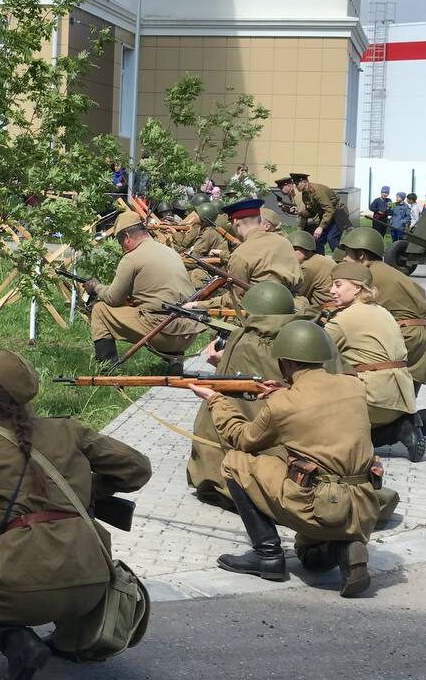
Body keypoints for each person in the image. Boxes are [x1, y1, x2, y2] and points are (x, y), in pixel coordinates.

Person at [0, 349, 151, 680]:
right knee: (61, 582)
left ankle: (18, 642)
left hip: (24, 589)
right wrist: (86, 492)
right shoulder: (69, 430)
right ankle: (67, 639)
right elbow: (138, 468)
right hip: (93, 583)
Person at [189, 320, 380, 598]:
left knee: (235, 462)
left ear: (285, 362)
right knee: (310, 559)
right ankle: (345, 547)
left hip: (321, 506)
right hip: (362, 507)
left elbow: (242, 437)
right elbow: (316, 411)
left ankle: (266, 554)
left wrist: (214, 400)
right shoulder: (354, 387)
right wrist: (284, 391)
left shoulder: (283, 404)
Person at [339, 227, 426, 450]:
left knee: (384, 416)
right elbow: (420, 293)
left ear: (362, 255)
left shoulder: (367, 276)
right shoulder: (389, 270)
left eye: (348, 254)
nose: (345, 259)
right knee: (402, 408)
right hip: (422, 333)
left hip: (405, 335)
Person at [187, 280, 299, 510]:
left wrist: (222, 366)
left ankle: (214, 476)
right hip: (314, 446)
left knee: (213, 417)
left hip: (270, 448)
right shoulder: (310, 337)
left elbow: (230, 397)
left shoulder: (246, 342)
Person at [323, 261, 424, 461]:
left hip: (374, 400)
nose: (331, 290)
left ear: (358, 287)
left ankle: (395, 432)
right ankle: (401, 427)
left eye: (338, 284)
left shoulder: (344, 319)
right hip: (401, 398)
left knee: (316, 422)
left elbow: (309, 350)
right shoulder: (382, 311)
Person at [84, 211, 200, 374]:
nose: (121, 246)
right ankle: (174, 360)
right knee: (161, 312)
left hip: (164, 331)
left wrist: (96, 287)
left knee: (100, 310)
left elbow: (113, 298)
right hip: (189, 331)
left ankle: (107, 369)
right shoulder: (170, 252)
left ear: (126, 236)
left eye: (120, 241)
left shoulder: (132, 258)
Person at [187, 198, 303, 309]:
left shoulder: (240, 254)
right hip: (290, 305)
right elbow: (299, 280)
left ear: (236, 222)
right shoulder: (283, 242)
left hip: (258, 312)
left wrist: (198, 305)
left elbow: (236, 299)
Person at [287, 172, 349, 253]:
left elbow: (329, 209)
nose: (295, 186)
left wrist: (320, 227)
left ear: (304, 182)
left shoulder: (317, 191)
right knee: (317, 239)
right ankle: (320, 261)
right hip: (327, 215)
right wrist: (297, 212)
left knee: (332, 238)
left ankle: (341, 260)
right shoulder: (305, 194)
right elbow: (312, 212)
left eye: (296, 183)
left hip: (339, 214)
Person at [289, 230, 335, 308]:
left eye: (294, 249)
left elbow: (299, 293)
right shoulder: (320, 259)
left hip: (325, 309)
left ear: (305, 251)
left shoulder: (307, 267)